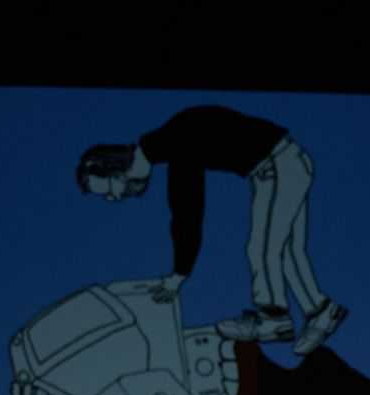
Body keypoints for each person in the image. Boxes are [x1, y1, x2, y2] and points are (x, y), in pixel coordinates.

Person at [76, 105, 348, 356]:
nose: (114, 198)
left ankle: (274, 319)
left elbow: (188, 213)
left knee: (262, 248)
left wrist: (178, 276)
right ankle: (322, 311)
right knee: (286, 249)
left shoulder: (176, 145)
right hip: (286, 161)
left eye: (109, 190)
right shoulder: (169, 139)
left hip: (277, 166)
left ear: (117, 172)